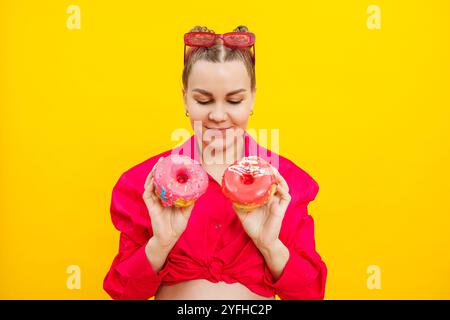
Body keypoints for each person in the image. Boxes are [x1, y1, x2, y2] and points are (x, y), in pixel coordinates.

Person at [103, 25, 327, 300]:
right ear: (185, 97)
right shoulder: (144, 184)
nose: (218, 115)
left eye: (234, 100)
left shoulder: (285, 184)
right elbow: (124, 293)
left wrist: (269, 245)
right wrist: (160, 244)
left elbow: (310, 294)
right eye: (203, 100)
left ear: (252, 97)